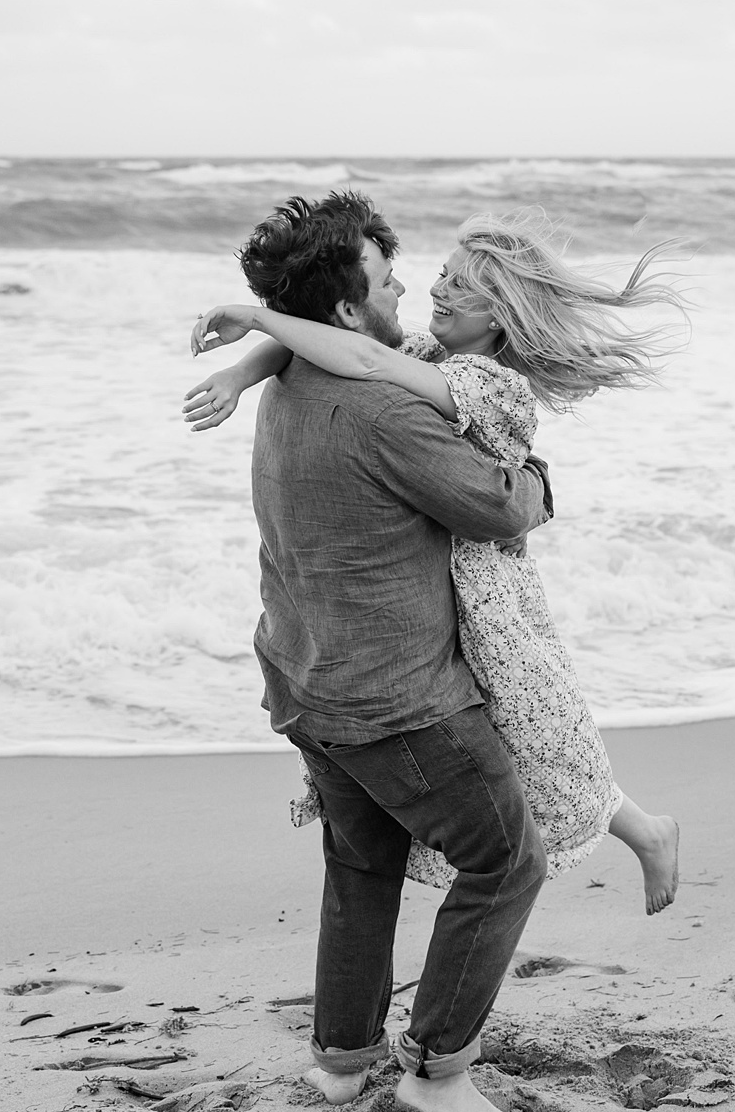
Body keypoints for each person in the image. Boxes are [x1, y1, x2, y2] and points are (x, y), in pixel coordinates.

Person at [186, 203, 683, 915]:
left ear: (500, 318)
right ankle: (645, 830)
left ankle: (645, 833)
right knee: (529, 743)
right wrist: (241, 371)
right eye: (442, 275)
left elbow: (351, 352)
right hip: (451, 573)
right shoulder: (425, 357)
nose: (435, 291)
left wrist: (256, 316)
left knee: (543, 741)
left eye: (462, 289)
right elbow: (317, 344)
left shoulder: (483, 382)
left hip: (487, 586)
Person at [216, 190, 555, 1112]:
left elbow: (292, 348)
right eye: (385, 274)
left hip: (302, 673)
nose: (405, 282)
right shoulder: (382, 412)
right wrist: (534, 478)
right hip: (397, 699)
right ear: (346, 314)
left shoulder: (290, 382)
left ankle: (341, 1059)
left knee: (362, 859)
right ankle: (438, 1074)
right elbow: (498, 509)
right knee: (505, 858)